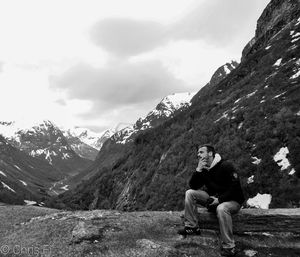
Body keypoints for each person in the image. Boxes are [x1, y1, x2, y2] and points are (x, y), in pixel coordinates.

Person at [178, 144, 245, 257]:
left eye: (201, 152)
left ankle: (229, 247)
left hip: (232, 200)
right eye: (198, 152)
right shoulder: (204, 169)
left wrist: (220, 200)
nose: (198, 154)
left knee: (222, 208)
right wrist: (198, 170)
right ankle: (192, 227)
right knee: (189, 193)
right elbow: (193, 185)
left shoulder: (226, 165)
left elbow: (236, 188)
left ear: (210, 153)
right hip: (213, 198)